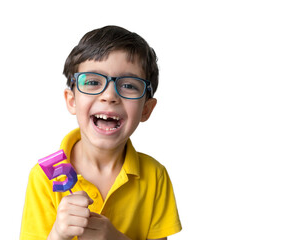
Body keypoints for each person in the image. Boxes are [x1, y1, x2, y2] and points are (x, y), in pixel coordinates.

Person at [20, 25, 182, 240]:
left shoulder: (155, 175)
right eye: (93, 82)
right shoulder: (44, 177)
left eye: (129, 85)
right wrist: (58, 234)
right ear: (71, 101)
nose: (109, 95)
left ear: (146, 109)